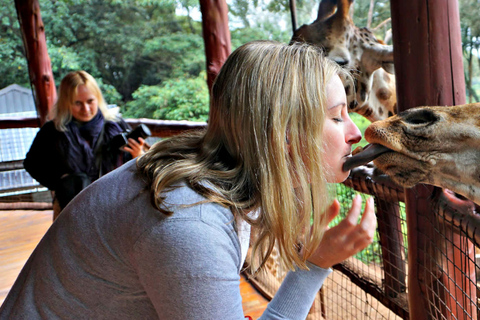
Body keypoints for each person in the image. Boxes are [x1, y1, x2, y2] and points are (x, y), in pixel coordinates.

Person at [0, 41, 376, 319]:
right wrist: (315, 265)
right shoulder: (191, 220)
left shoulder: (222, 175)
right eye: (338, 116)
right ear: (285, 134)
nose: (356, 134)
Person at [23, 70, 146, 220]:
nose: (86, 109)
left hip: (115, 205)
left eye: (90, 101)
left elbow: (135, 167)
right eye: (77, 103)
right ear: (66, 103)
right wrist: (61, 182)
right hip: (71, 209)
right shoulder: (53, 131)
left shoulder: (115, 124)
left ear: (98, 99)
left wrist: (138, 155)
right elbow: (32, 164)